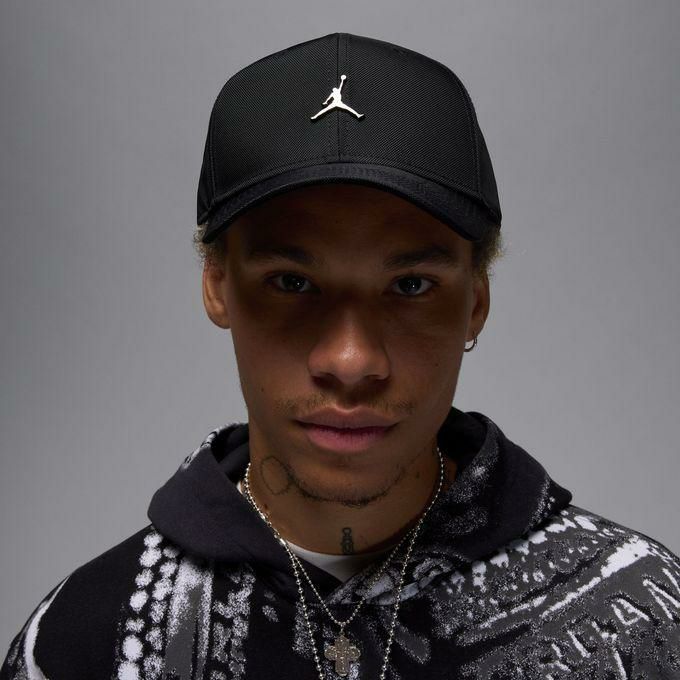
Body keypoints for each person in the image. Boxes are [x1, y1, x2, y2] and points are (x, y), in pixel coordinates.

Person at [2, 31, 679, 680]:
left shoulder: (645, 621)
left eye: (410, 286)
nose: (351, 361)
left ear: (476, 300)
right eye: (292, 283)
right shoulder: (80, 646)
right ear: (216, 285)